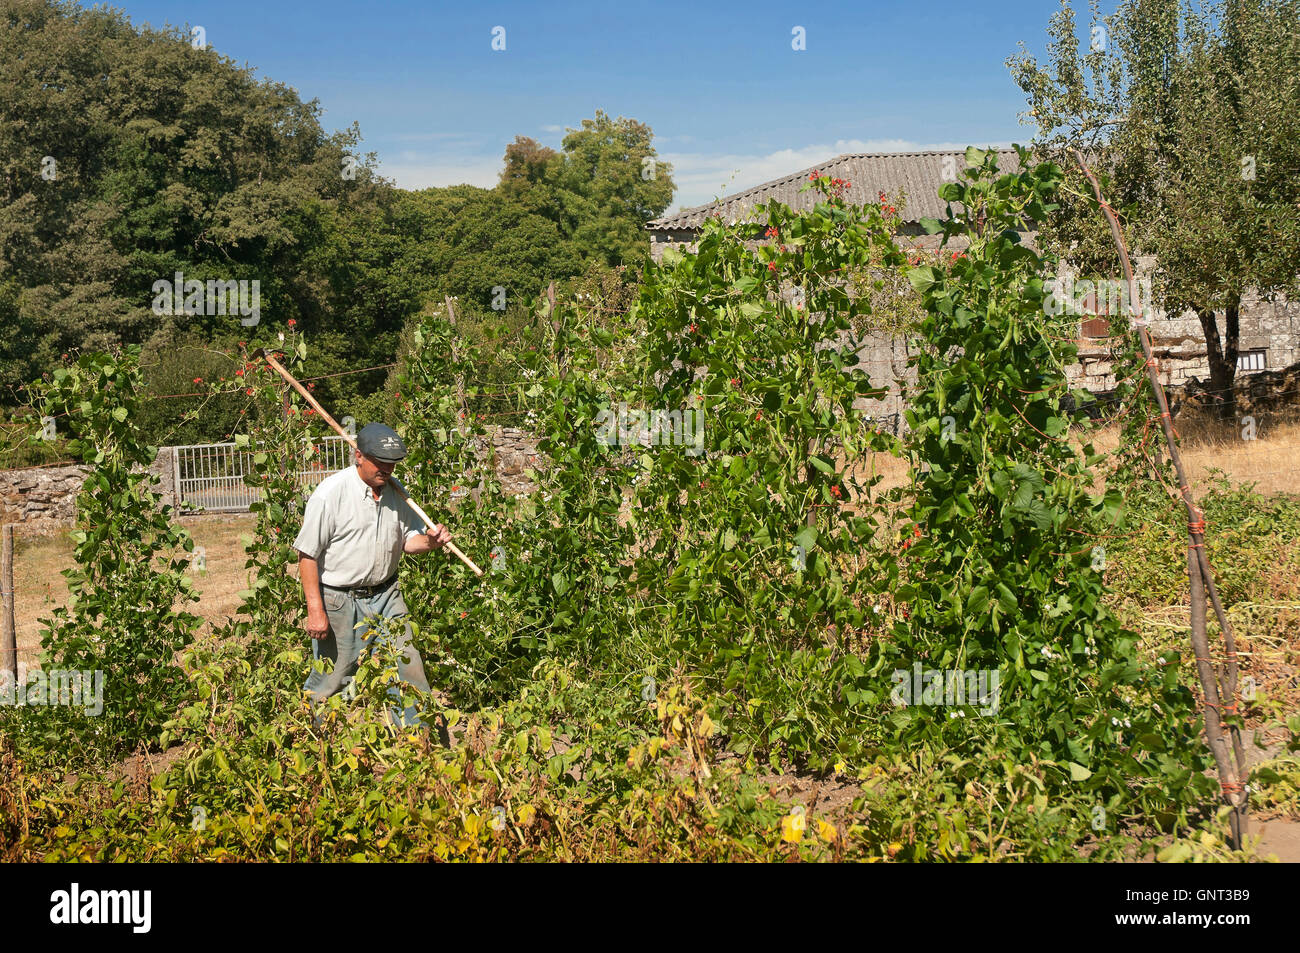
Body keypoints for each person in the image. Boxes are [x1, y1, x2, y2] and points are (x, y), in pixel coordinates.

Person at [292, 422, 451, 731]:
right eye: (380, 461)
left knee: (407, 665)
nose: (387, 468)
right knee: (334, 676)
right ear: (358, 456)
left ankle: (420, 743)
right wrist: (315, 610)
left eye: (391, 462)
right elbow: (307, 555)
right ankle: (311, 739)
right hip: (339, 599)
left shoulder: (397, 492)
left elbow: (407, 542)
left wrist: (431, 541)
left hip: (386, 595)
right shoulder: (331, 494)